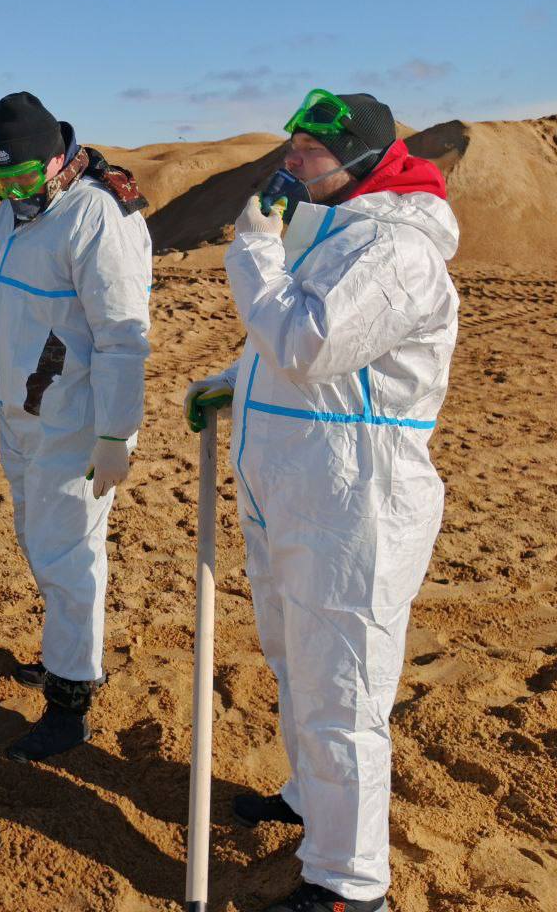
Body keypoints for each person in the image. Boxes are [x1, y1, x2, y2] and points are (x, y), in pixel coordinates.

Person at [184, 91, 458, 912]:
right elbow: (301, 347)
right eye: (293, 145)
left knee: (344, 685)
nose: (292, 162)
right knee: (296, 659)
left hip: (356, 499)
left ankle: (349, 882)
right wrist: (235, 382)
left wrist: (252, 248)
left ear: (365, 161)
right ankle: (311, 800)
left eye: (309, 150)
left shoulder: (399, 252)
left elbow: (308, 342)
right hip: (296, 482)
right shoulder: (336, 234)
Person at [0, 92, 152, 763]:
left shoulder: (96, 216)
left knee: (70, 559)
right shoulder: (10, 216)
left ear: (58, 158)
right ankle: (69, 655)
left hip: (75, 423)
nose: (12, 192)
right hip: (21, 416)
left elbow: (123, 339)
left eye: (22, 178)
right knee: (42, 545)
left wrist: (114, 435)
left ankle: (70, 699)